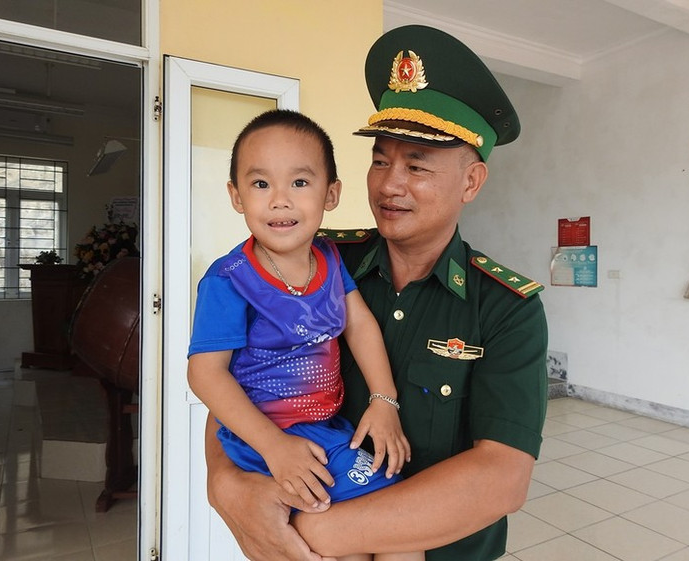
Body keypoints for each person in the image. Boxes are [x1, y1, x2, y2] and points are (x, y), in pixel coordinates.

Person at [204, 24, 548, 561]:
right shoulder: (319, 263)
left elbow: (502, 479)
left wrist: (320, 535)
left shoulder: (505, 308)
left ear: (471, 182)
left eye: (417, 165)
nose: (389, 184)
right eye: (381, 159)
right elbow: (241, 378)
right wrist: (225, 485)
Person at [188, 109, 423, 561]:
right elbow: (205, 375)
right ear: (236, 196)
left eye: (299, 183)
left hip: (323, 430)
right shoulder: (228, 280)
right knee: (365, 536)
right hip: (264, 440)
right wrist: (274, 447)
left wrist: (383, 399)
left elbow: (359, 325)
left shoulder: (331, 260)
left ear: (330, 193)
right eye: (260, 184)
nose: (280, 200)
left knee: (388, 537)